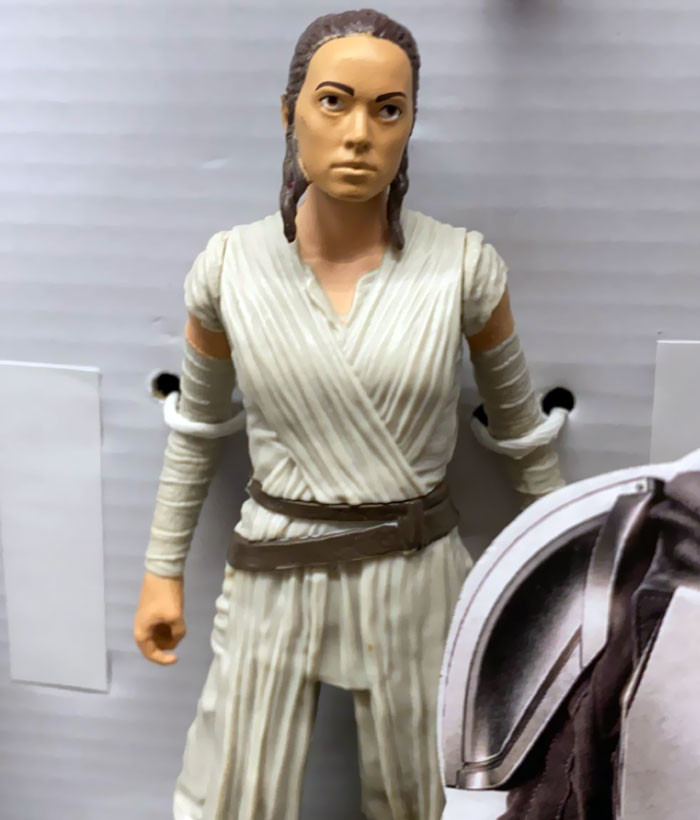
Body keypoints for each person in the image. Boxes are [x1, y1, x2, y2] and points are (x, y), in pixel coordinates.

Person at [133, 9, 564, 820]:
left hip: (415, 571)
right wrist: (162, 570)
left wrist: (578, 578)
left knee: (425, 798)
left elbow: (520, 436)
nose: (360, 134)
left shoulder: (463, 269)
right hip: (273, 563)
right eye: (334, 101)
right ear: (289, 111)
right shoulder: (228, 269)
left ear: (410, 125)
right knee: (231, 795)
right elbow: (196, 430)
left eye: (387, 110)